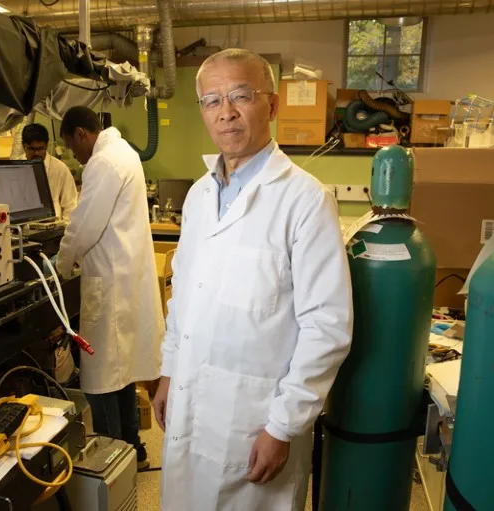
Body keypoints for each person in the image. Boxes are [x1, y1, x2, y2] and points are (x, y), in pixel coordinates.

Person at [152, 48, 354, 510]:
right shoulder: (200, 196)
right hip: (190, 397)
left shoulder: (305, 201)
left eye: (241, 96)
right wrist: (168, 371)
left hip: (255, 420)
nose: (226, 112)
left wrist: (284, 425)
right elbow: (183, 296)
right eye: (211, 100)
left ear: (273, 105)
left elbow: (327, 327)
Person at [55, 106, 164, 469]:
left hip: (112, 283)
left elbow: (83, 225)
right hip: (123, 279)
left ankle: (115, 459)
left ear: (82, 134)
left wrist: (60, 265)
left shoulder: (104, 163)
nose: (75, 155)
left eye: (72, 146)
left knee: (100, 378)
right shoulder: (124, 153)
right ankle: (135, 450)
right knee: (121, 375)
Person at [22, 123, 78, 220]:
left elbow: (71, 207)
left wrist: (64, 232)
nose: (37, 153)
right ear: (24, 146)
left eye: (40, 149)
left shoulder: (60, 169)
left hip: (54, 229)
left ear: (46, 146)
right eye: (32, 149)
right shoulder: (16, 168)